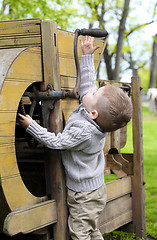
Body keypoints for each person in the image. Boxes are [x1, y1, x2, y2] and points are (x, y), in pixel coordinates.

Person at [18, 36, 132, 240]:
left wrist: (32, 126)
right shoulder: (93, 115)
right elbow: (88, 87)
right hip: (95, 189)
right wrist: (86, 57)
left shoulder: (84, 132)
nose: (91, 90)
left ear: (93, 112)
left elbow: (56, 142)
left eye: (95, 93)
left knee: (80, 234)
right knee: (92, 230)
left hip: (83, 195)